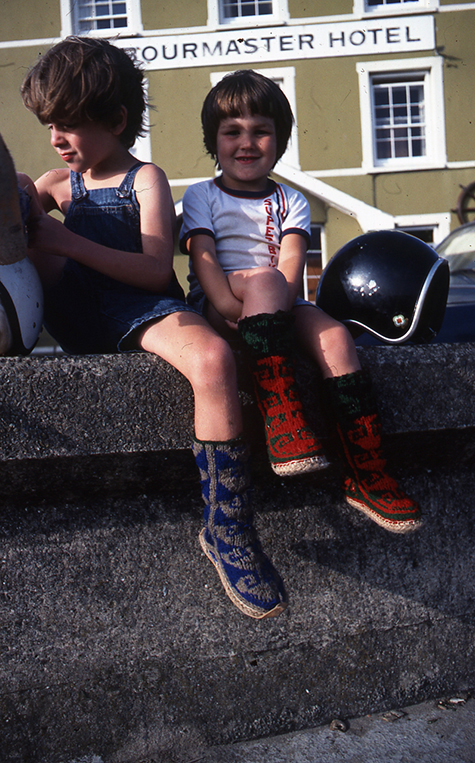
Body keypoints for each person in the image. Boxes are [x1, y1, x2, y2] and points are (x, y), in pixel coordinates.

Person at [19, 37, 287, 620]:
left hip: (140, 308)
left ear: (116, 121)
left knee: (213, 360)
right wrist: (26, 206)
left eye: (69, 126)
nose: (56, 140)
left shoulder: (146, 180)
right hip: (78, 312)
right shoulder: (55, 184)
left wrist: (64, 238)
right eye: (49, 126)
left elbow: (152, 270)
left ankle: (227, 526)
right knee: (16, 198)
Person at [180, 69, 422, 536]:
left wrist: (273, 306)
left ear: (280, 139)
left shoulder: (291, 199)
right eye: (232, 132)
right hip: (220, 301)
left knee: (335, 338)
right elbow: (204, 260)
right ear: (215, 141)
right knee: (264, 282)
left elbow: (292, 264)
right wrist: (235, 311)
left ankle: (366, 471)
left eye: (260, 131)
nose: (246, 143)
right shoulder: (201, 195)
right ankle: (281, 421)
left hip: (280, 302)